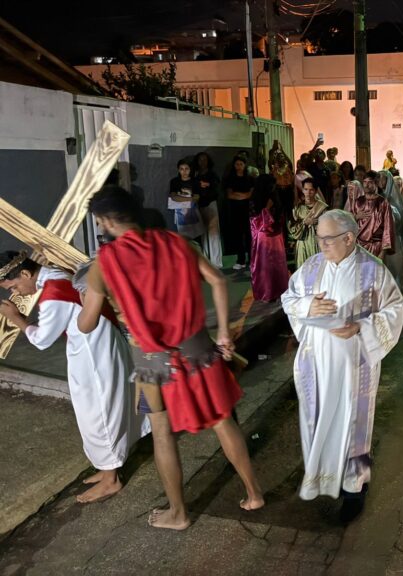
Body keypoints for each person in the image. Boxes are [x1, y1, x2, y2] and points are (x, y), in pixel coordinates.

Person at [78, 187, 264, 530]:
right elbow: (218, 280)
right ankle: (254, 493)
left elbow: (86, 324)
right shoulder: (176, 243)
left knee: (162, 432)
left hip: (152, 357)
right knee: (223, 419)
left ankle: (178, 514)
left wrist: (100, 297)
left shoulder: (105, 263)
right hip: (196, 347)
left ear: (104, 222)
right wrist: (223, 331)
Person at [281, 210, 403, 522]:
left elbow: (394, 309)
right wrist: (308, 305)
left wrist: (361, 327)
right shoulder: (312, 267)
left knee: (353, 425)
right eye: (319, 238)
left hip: (354, 365)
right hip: (316, 363)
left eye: (326, 239)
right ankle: (322, 476)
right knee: (319, 417)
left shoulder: (373, 271)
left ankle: (354, 488)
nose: (320, 244)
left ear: (349, 238)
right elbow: (289, 297)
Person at [0, 251, 144, 504]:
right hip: (99, 346)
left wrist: (18, 320)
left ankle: (111, 479)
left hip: (94, 356)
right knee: (102, 408)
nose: (17, 293)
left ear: (25, 273)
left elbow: (42, 340)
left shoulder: (53, 295)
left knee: (98, 413)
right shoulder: (56, 276)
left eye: (13, 286)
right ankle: (107, 468)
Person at [250, 176, 290, 301]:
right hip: (264, 239)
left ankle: (280, 290)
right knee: (265, 266)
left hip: (276, 236)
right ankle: (266, 292)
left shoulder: (275, 197)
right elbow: (257, 224)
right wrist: (266, 209)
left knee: (278, 265)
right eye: (271, 185)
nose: (273, 187)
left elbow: (281, 216)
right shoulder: (255, 201)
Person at [350, 171, 396, 258]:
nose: (366, 185)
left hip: (376, 247)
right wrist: (355, 217)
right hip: (358, 247)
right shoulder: (358, 202)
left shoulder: (383, 203)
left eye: (370, 182)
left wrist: (383, 252)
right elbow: (348, 224)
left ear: (377, 183)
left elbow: (388, 228)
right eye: (364, 182)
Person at [223, 154, 255, 270]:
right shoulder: (230, 179)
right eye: (237, 164)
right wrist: (244, 196)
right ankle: (240, 260)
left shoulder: (250, 179)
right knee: (238, 236)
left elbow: (251, 194)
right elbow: (230, 195)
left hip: (248, 211)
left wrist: (239, 195)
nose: (239, 166)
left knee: (249, 236)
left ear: (245, 165)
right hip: (235, 211)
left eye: (241, 164)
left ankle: (252, 260)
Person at [378, 169, 403, 289]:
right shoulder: (378, 196)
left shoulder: (394, 199)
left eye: (382, 178)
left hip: (394, 238)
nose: (379, 181)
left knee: (395, 270)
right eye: (378, 178)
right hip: (380, 241)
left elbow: (399, 221)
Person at [289, 177, 328, 268]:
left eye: (311, 190)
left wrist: (316, 224)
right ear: (302, 190)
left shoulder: (322, 208)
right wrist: (304, 223)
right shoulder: (298, 207)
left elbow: (327, 229)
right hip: (302, 244)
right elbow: (292, 229)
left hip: (316, 243)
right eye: (306, 189)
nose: (308, 193)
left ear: (315, 191)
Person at [193, 152, 223, 268]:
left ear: (208, 161)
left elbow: (215, 189)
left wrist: (206, 187)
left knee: (213, 232)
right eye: (200, 160)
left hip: (210, 204)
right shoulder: (195, 175)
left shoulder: (212, 175)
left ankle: (216, 262)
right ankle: (206, 260)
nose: (202, 162)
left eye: (204, 159)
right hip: (199, 205)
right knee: (203, 233)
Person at [169, 158, 205, 241]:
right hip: (180, 214)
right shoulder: (174, 181)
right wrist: (190, 198)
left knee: (196, 237)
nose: (184, 171)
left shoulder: (195, 182)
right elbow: (174, 197)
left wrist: (180, 198)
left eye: (186, 169)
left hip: (194, 212)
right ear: (178, 170)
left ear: (190, 169)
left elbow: (196, 199)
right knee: (183, 238)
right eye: (181, 169)